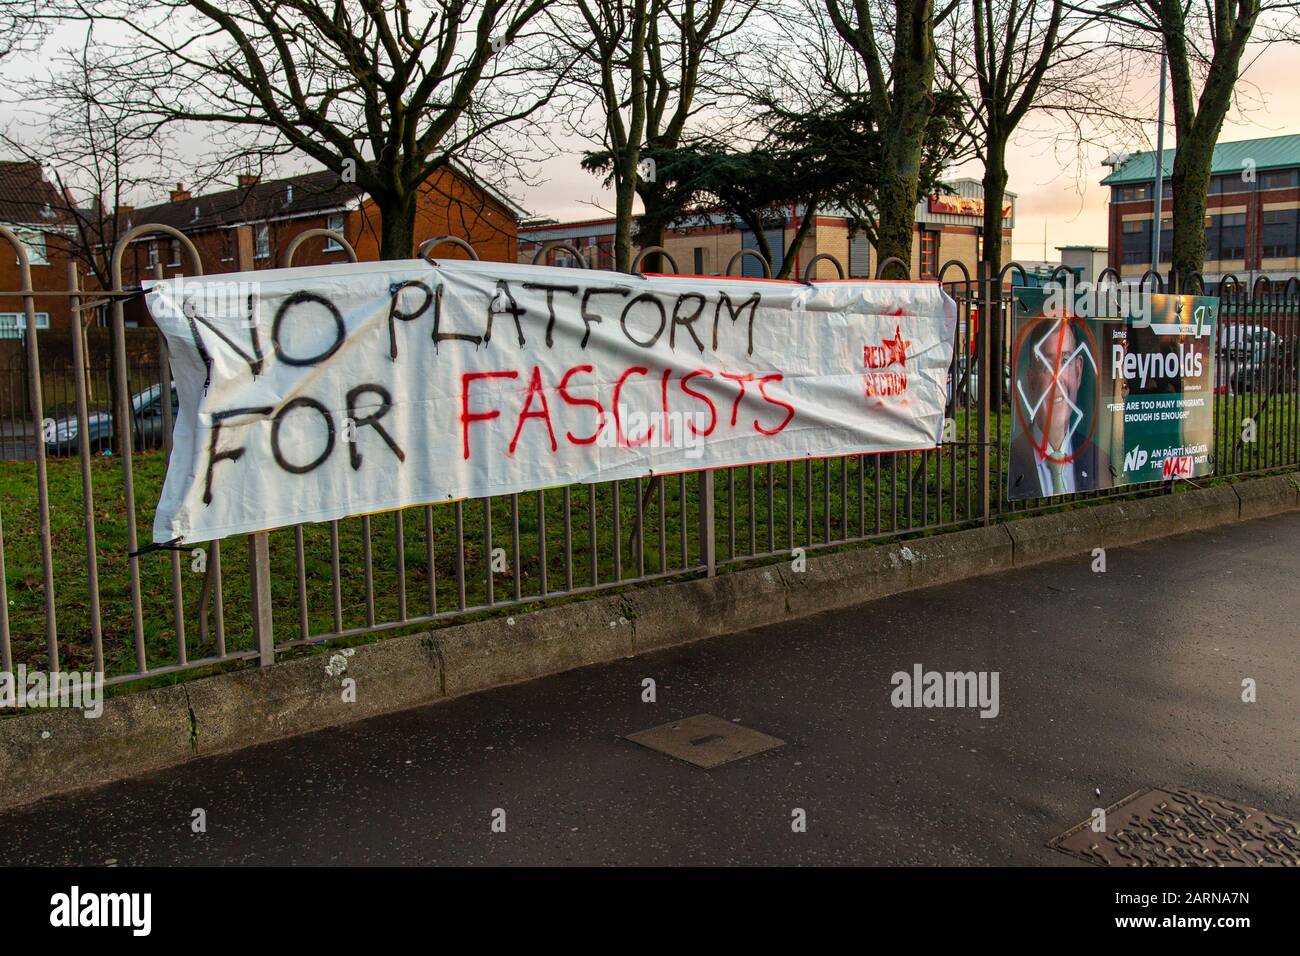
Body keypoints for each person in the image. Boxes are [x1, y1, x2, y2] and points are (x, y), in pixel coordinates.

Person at [1009, 317, 1112, 498]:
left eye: (1065, 361)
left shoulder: (1099, 458)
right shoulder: (1013, 459)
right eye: (1047, 365)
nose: (1057, 379)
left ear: (1078, 372)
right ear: (1031, 378)